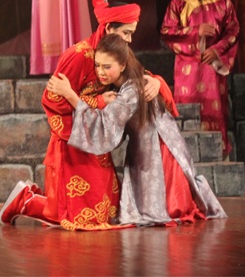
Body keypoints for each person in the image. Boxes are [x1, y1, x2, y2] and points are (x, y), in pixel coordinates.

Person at [0, 0, 171, 230]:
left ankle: (28, 199)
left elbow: (135, 75)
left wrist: (156, 82)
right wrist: (97, 101)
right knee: (81, 217)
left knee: (106, 212)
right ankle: (25, 200)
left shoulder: (119, 53)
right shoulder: (79, 55)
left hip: (96, 135)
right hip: (75, 139)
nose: (129, 40)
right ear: (109, 28)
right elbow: (52, 98)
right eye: (126, 33)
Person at [46, 34, 227, 226]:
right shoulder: (124, 83)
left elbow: (105, 122)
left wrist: (71, 95)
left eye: (107, 67)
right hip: (145, 143)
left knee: (167, 208)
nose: (100, 72)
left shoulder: (133, 89)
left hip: (159, 146)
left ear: (123, 65)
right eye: (97, 65)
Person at [161, 0, 239, 156]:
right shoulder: (179, 1)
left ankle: (219, 153)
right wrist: (196, 32)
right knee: (188, 108)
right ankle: (185, 156)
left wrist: (216, 50)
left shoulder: (223, 0)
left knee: (215, 108)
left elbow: (233, 31)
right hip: (188, 67)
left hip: (213, 66)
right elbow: (167, 32)